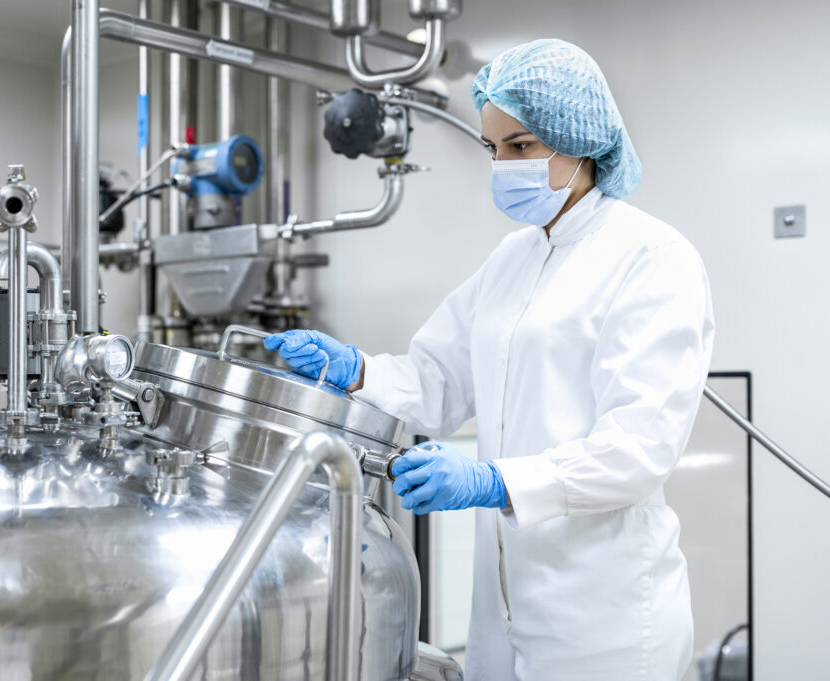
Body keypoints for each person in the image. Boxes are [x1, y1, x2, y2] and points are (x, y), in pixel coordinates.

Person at [265, 39, 715, 681]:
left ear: (578, 139)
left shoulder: (651, 257)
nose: (502, 164)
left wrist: (494, 481)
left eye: (521, 146)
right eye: (493, 148)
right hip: (502, 605)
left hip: (605, 615)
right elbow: (439, 380)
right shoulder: (513, 258)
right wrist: (354, 370)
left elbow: (639, 450)